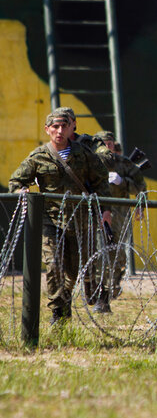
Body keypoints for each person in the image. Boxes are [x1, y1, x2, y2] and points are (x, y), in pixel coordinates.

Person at [8, 108, 112, 324]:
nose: (59, 130)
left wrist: (104, 209)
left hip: (80, 220)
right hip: (51, 221)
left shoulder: (83, 154)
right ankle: (58, 312)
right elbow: (16, 182)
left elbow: (102, 181)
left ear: (72, 127)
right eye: (55, 126)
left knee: (74, 271)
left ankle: (68, 301)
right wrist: (22, 192)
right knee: (54, 265)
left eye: (64, 126)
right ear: (47, 130)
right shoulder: (39, 156)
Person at [95, 130, 147, 306]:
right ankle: (101, 292)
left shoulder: (124, 163)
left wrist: (122, 182)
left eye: (109, 144)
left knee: (117, 255)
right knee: (99, 253)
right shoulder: (90, 163)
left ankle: (113, 284)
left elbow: (140, 187)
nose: (106, 148)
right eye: (102, 144)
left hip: (119, 214)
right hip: (96, 212)